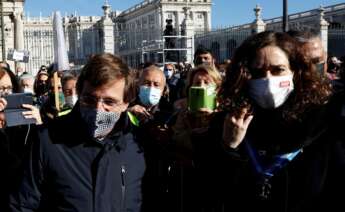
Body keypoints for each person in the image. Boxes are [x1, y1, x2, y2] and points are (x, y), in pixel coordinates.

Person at [194, 31, 345, 212]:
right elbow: (211, 192)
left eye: (278, 70)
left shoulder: (323, 123)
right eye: (257, 72)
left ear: (295, 71)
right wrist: (228, 148)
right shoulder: (227, 123)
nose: (267, 80)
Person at [9, 53, 148, 212]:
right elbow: (22, 205)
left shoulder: (138, 144)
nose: (98, 109)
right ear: (80, 93)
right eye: (89, 99)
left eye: (109, 102)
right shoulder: (48, 140)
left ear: (126, 102)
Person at [0, 67, 41, 211]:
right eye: (0, 88)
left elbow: (38, 154)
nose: (5, 93)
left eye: (8, 88)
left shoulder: (22, 120)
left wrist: (39, 124)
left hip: (19, 196)